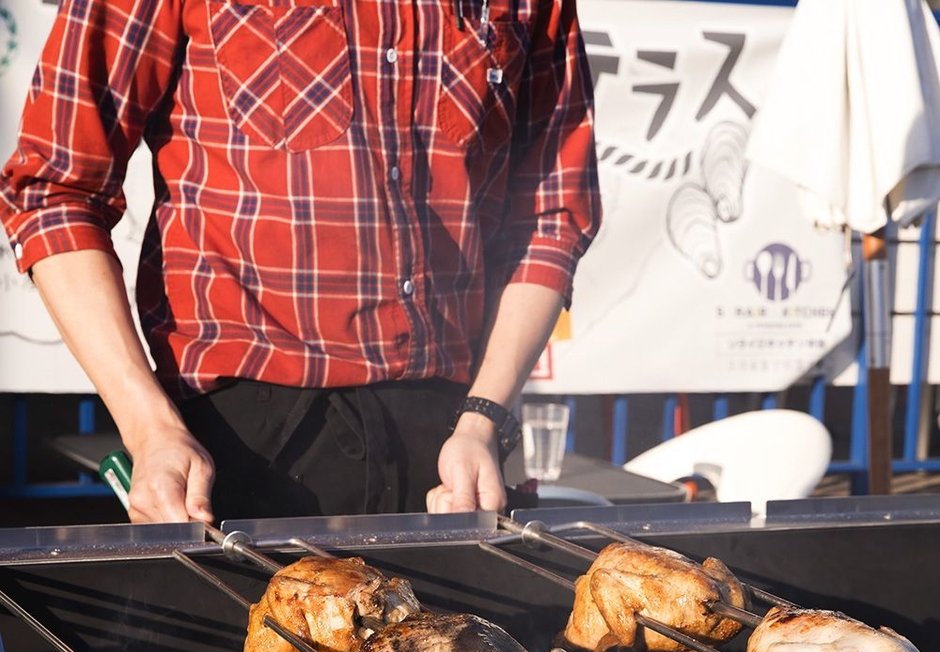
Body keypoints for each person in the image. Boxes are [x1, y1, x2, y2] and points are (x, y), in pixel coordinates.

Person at [0, 0, 600, 523]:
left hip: (453, 449)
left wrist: (482, 418)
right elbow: (56, 189)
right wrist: (149, 428)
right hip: (236, 442)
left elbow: (550, 217)